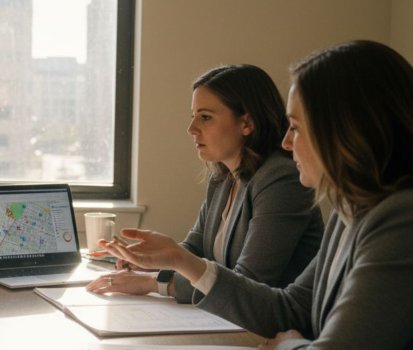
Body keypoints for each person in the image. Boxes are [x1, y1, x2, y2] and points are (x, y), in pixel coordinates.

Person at [97, 40, 413, 349]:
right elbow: (292, 308)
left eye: (298, 128)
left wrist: (291, 346)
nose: (287, 143)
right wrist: (175, 260)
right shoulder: (351, 212)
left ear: (347, 130)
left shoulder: (400, 219)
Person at [87, 65, 323, 303]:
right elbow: (197, 249)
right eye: (194, 116)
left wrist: (153, 283)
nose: (191, 129)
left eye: (205, 117)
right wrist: (152, 260)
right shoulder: (222, 175)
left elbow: (251, 281)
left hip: (273, 327)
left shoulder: (282, 180)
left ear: (247, 123)